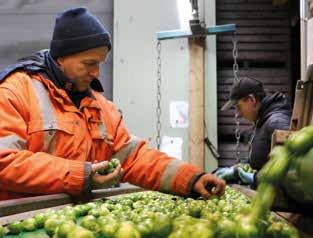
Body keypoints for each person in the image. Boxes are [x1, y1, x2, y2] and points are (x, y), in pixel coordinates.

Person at [0, 7, 225, 201]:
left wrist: (191, 178)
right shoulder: (15, 92)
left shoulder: (99, 106)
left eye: (99, 63)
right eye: (89, 63)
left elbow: (135, 158)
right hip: (17, 219)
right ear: (61, 57)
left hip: (73, 223)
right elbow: (4, 162)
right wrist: (81, 175)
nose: (97, 72)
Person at [215, 77, 291, 185]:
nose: (239, 113)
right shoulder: (263, 121)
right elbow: (262, 160)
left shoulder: (277, 123)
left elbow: (288, 170)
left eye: (238, 107)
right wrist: (236, 170)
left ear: (252, 100)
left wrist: (255, 178)